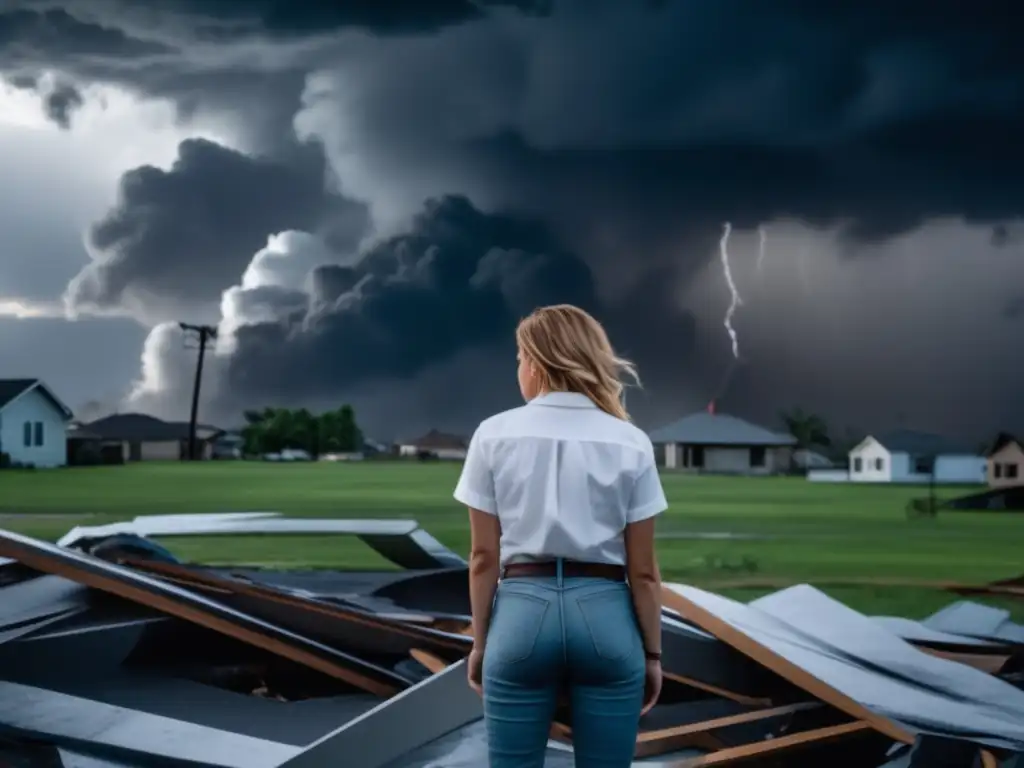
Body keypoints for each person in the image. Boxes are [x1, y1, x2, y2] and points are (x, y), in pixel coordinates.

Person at [454, 304, 668, 768]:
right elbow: (645, 573)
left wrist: (481, 644)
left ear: (535, 361)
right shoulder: (630, 441)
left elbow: (483, 557)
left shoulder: (492, 434)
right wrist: (651, 654)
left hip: (521, 617)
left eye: (518, 358)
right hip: (606, 617)